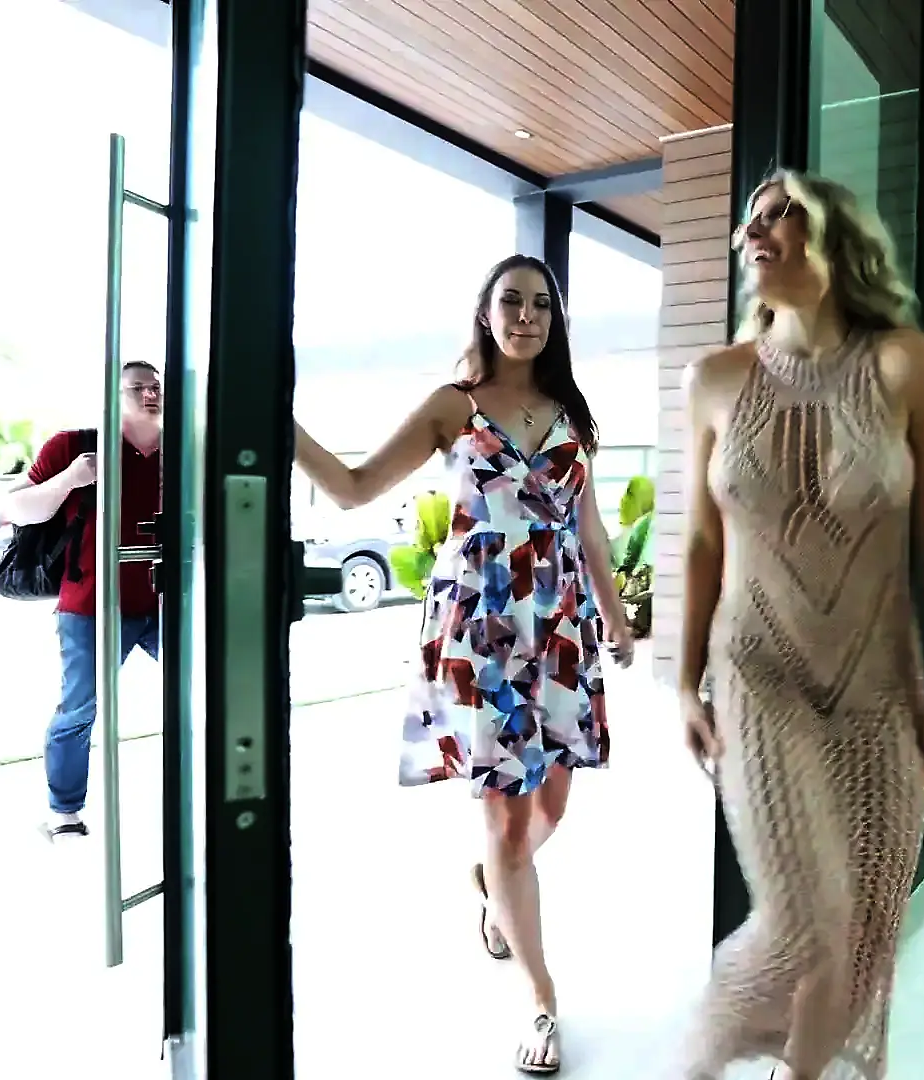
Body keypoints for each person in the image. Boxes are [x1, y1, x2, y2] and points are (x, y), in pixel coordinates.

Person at [293, 253, 634, 1075]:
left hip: (556, 628)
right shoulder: (456, 405)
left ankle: (493, 887)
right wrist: (279, 423)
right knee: (509, 821)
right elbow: (354, 487)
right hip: (480, 630)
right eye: (511, 301)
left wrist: (616, 616)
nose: (526, 317)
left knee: (553, 804)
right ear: (486, 312)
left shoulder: (570, 412)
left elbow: (588, 528)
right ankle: (541, 1001)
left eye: (541, 305)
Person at [676, 171, 924, 1080]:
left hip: (881, 685)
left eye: (781, 213)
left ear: (837, 236)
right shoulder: (715, 378)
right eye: (750, 219)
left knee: (865, 932)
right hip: (755, 673)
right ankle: (693, 1062)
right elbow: (700, 542)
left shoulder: (914, 366)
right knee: (804, 921)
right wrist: (684, 681)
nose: (754, 231)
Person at [5, 360, 165, 842]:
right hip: (92, 606)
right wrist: (70, 480)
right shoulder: (75, 446)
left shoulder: (182, 451)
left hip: (168, 603)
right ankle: (64, 812)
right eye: (137, 387)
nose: (150, 394)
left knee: (212, 691)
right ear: (113, 397)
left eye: (156, 386)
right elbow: (17, 508)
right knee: (79, 709)